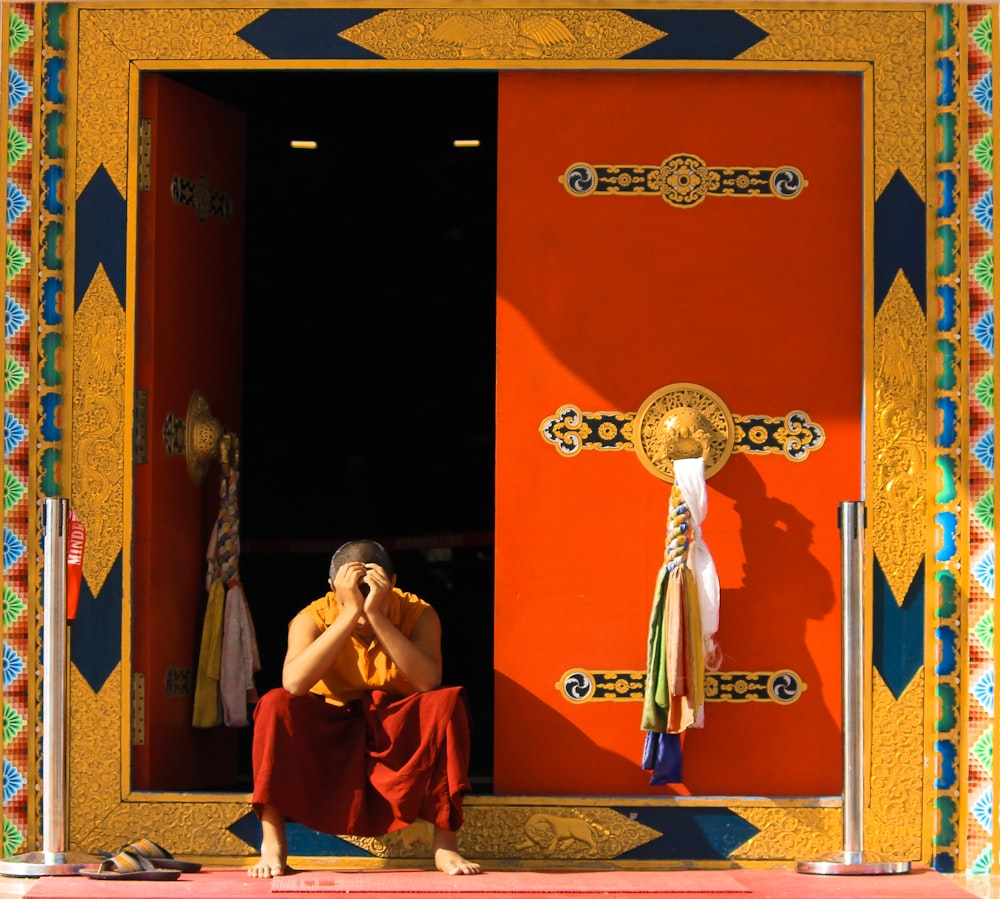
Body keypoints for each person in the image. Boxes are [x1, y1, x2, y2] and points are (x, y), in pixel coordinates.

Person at [248, 539, 481, 878]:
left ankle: (445, 844)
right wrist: (348, 615)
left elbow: (428, 682)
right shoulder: (312, 617)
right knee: (274, 704)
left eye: (370, 591)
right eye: (350, 592)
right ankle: (273, 842)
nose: (361, 598)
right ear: (332, 588)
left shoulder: (418, 613)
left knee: (447, 703)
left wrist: (375, 614)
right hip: (331, 727)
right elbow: (295, 684)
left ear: (393, 584)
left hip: (395, 725)